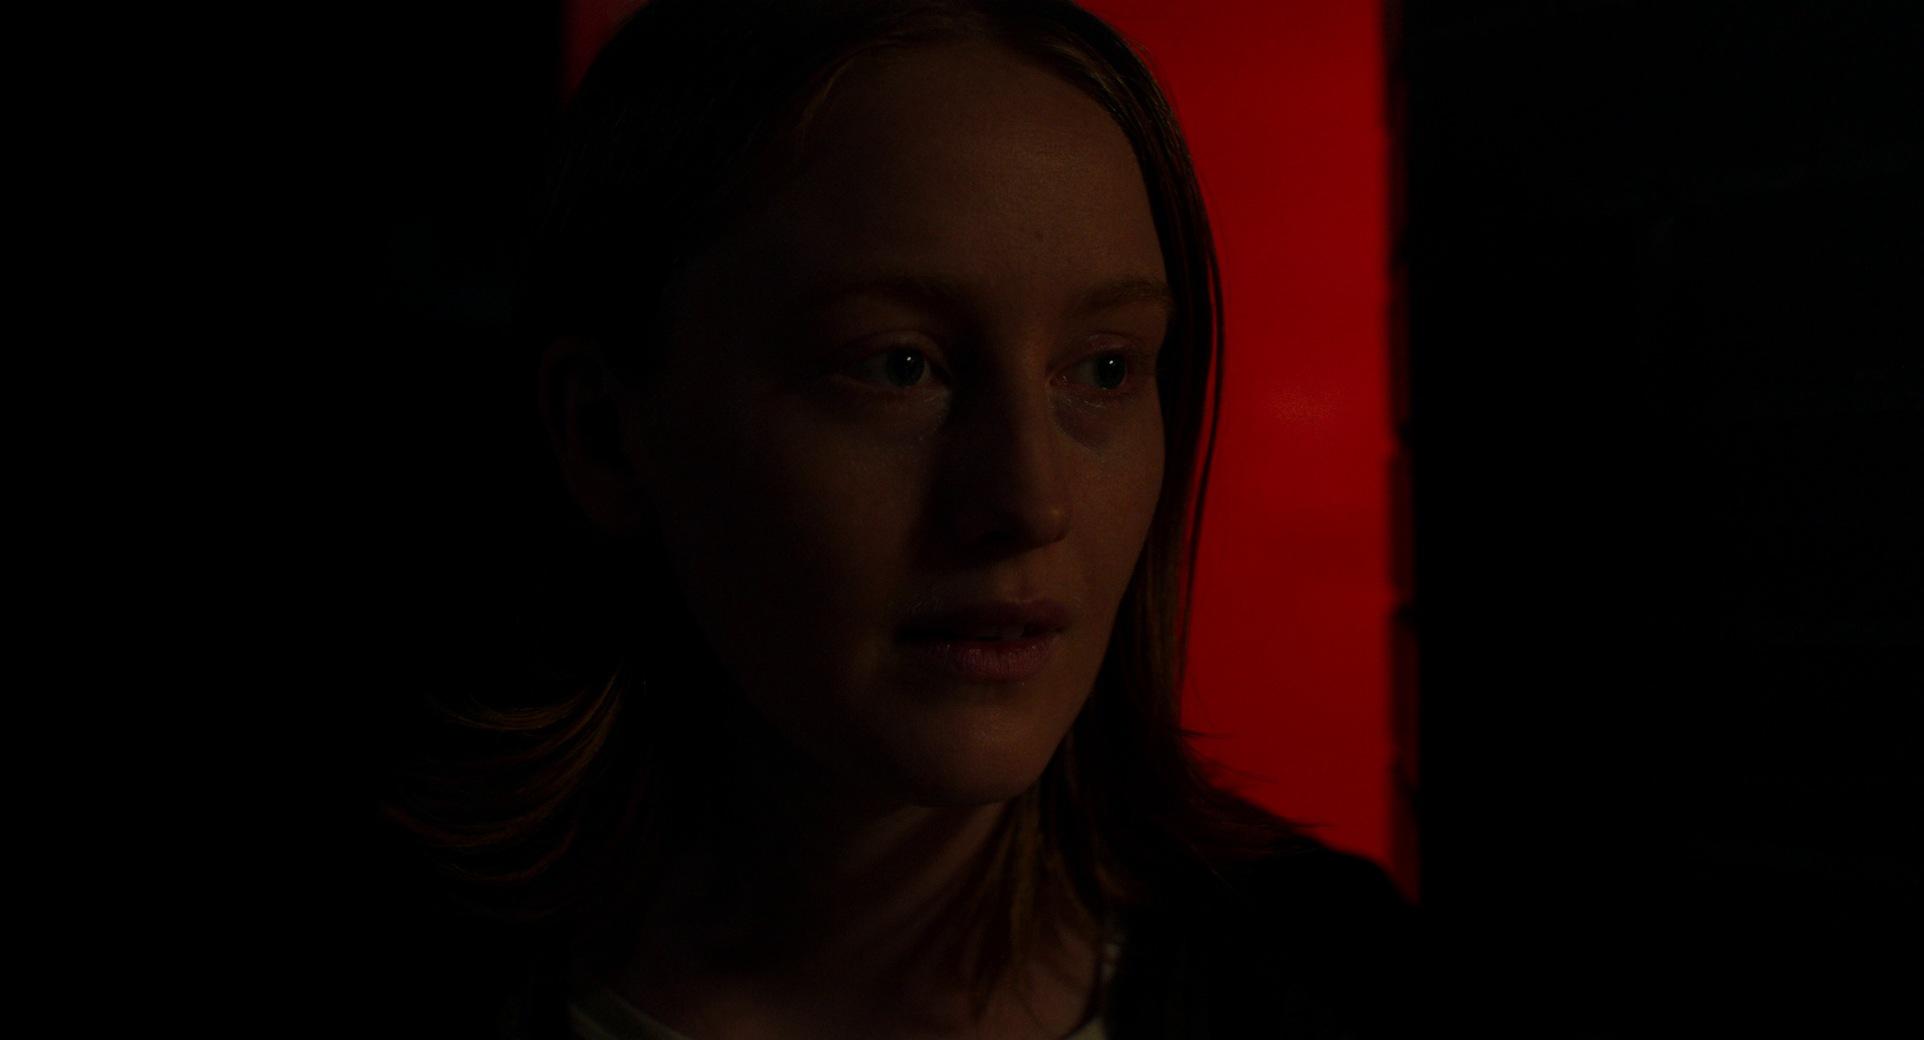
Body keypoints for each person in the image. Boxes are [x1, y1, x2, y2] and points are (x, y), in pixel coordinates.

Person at [377, 1, 1423, 1037]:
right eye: (899, 366)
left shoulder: (1336, 983)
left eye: (1105, 368)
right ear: (605, 434)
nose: (1029, 501)